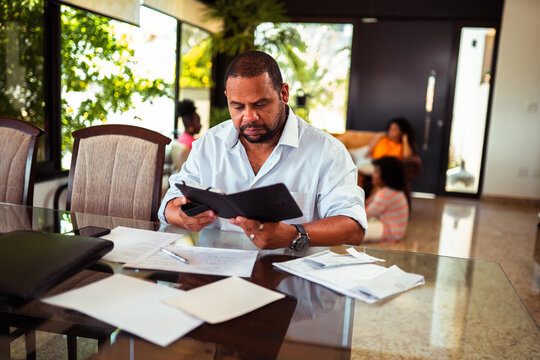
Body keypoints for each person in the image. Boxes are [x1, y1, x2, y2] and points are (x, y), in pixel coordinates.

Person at [159, 50, 367, 250]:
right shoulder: (209, 144)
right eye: (238, 107)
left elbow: (353, 226)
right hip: (217, 272)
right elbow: (169, 204)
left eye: (260, 104)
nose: (249, 117)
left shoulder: (327, 152)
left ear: (284, 94)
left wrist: (294, 235)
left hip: (292, 278)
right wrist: (181, 215)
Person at [364, 156, 409, 243]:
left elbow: (367, 213)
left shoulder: (386, 194)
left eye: (376, 172)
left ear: (386, 176)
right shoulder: (392, 191)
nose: (373, 175)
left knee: (358, 230)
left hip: (390, 231)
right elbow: (368, 203)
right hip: (393, 229)